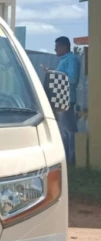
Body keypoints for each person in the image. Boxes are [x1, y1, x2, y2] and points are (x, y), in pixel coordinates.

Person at [42, 36, 81, 164]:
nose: (55, 49)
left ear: (64, 46)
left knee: (69, 130)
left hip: (66, 98)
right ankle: (66, 157)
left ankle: (72, 158)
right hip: (60, 99)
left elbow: (72, 79)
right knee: (64, 130)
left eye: (57, 46)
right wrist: (53, 72)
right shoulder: (64, 59)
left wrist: (55, 74)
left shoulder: (71, 59)